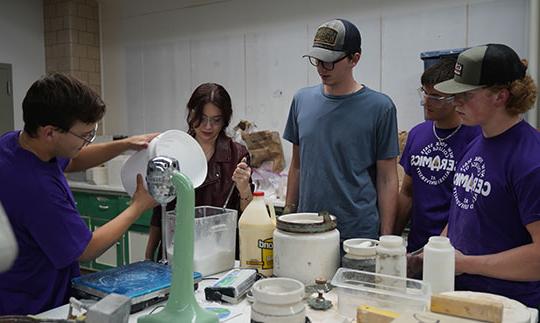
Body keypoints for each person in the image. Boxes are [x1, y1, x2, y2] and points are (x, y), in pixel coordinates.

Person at [0, 73, 158, 315]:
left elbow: (72, 160)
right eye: (84, 135)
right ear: (50, 132)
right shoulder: (36, 189)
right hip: (35, 305)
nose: (87, 141)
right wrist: (137, 206)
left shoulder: (16, 143)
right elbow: (87, 249)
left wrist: (123, 144)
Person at [434, 44, 540, 307]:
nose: (455, 102)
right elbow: (465, 208)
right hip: (463, 293)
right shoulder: (477, 141)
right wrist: (438, 248)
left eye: (466, 94)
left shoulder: (530, 160)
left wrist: (466, 264)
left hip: (506, 305)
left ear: (500, 96)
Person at [283, 18, 399, 240]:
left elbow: (387, 178)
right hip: (308, 227)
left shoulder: (380, 108)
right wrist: (289, 215)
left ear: (354, 58)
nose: (321, 68)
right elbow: (297, 166)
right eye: (317, 60)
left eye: (330, 62)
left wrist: (385, 237)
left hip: (357, 233)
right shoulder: (301, 100)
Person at [145, 83, 253, 261]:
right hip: (176, 251)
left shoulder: (237, 155)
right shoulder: (173, 149)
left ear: (225, 120)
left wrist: (244, 190)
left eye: (216, 120)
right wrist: (149, 255)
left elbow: (248, 217)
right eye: (202, 118)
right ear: (191, 113)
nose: (208, 127)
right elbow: (160, 210)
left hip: (218, 255)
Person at [394, 58, 480, 253]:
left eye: (435, 97)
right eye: (424, 93)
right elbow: (407, 192)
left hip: (457, 251)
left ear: (456, 98)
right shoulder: (417, 134)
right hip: (417, 245)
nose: (425, 102)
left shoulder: (476, 139)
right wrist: (392, 238)